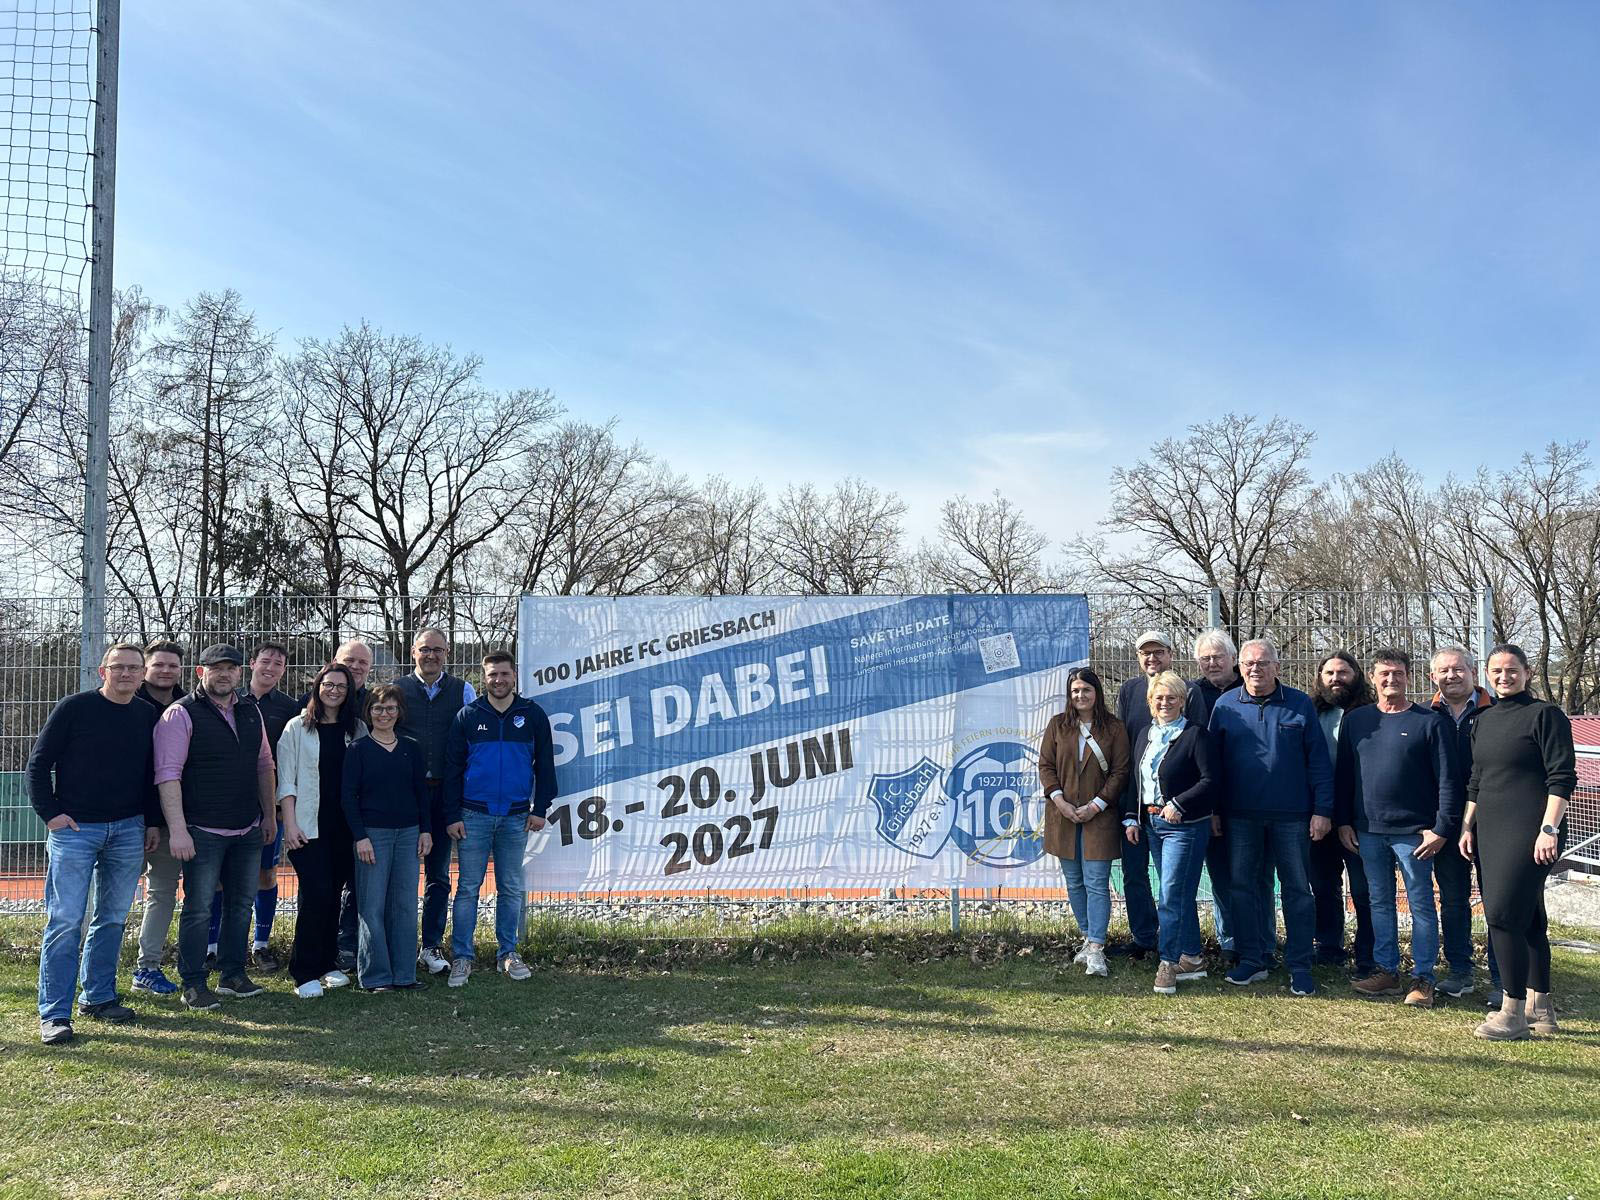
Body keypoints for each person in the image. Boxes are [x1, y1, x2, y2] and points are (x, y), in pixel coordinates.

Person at [28, 644, 160, 1045]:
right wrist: (51, 814)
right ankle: (55, 1014)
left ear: (142, 675)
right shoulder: (74, 708)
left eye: (133, 668)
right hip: (74, 830)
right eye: (118, 667)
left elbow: (151, 774)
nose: (126, 674)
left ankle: (99, 996)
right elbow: (38, 764)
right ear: (103, 671)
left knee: (113, 918)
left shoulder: (147, 715)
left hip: (128, 829)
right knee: (66, 920)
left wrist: (151, 822)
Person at [153, 644, 277, 1010]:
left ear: (240, 673)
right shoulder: (180, 714)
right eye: (216, 668)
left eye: (230, 668)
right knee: (199, 909)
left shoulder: (251, 711)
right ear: (200, 672)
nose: (224, 674)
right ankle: (193, 982)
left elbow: (264, 765)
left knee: (241, 905)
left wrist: (269, 816)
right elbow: (168, 774)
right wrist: (178, 829)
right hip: (202, 831)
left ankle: (232, 975)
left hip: (247, 828)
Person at [1334, 649, 1460, 1010]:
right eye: (1384, 674)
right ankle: (1387, 972)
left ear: (1409, 677)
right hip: (1368, 831)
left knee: (1421, 903)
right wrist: (1343, 820)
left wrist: (1441, 828)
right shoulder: (1356, 721)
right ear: (1373, 678)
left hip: (1416, 834)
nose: (1391, 680)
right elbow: (1344, 775)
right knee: (1379, 902)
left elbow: (1448, 780)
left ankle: (1423, 978)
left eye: (1398, 674)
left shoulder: (1430, 722)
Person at [1462, 645, 1576, 1040]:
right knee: (1528, 917)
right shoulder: (1482, 720)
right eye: (1496, 670)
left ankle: (1511, 1011)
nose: (1504, 677)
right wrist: (1467, 827)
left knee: (1502, 915)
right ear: (1486, 674)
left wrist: (1549, 829)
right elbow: (1477, 780)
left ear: (1527, 672)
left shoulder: (1545, 715)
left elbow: (1562, 776)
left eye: (1512, 670)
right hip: (1489, 830)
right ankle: (1540, 1008)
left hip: (1530, 830)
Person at [1210, 637, 1332, 997]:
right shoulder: (1225, 706)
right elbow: (1212, 765)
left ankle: (1299, 965)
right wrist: (1214, 810)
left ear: (1277, 667)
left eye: (1263, 663)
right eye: (1248, 663)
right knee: (1243, 887)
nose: (1255, 669)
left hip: (1292, 816)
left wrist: (1322, 810)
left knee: (1297, 890)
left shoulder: (1299, 704)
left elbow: (1318, 760)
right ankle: (1252, 959)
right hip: (1240, 816)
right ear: (1239, 667)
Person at [443, 650, 556, 988]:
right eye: (492, 674)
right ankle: (462, 957)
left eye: (504, 674)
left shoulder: (532, 715)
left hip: (516, 817)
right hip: (472, 815)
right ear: (484, 677)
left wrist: (540, 809)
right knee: (468, 888)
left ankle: (508, 953)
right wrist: (452, 814)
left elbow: (545, 765)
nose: (498, 680)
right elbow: (452, 769)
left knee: (510, 887)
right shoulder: (468, 715)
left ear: (514, 676)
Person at [278, 663, 368, 999]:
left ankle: (327, 963)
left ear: (349, 692)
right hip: (307, 827)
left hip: (344, 828)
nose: (334, 691)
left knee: (333, 895)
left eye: (341, 686)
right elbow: (286, 780)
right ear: (318, 687)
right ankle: (303, 971)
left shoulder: (357, 728)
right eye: (328, 684)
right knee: (316, 894)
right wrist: (289, 823)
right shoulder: (297, 727)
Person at [1122, 671, 1214, 996]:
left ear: (1182, 701)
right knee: (1179, 893)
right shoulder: (1145, 734)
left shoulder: (1195, 735)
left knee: (1170, 894)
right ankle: (1192, 958)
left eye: (1171, 697)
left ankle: (1168, 961)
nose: (1165, 703)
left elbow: (1210, 780)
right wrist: (1132, 818)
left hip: (1184, 827)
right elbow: (1136, 780)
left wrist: (1179, 803)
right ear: (1150, 701)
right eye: (1159, 698)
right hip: (1151, 824)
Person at [1114, 631, 1204, 958]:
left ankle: (1182, 950)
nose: (1152, 658)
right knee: (1134, 874)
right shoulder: (1129, 690)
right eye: (1145, 653)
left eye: (1158, 652)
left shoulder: (1189, 691)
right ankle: (1144, 938)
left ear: (1171, 654)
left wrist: (1180, 801)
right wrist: (1130, 809)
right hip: (1138, 804)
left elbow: (1198, 749)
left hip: (1177, 813)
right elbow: (1127, 748)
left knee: (1173, 887)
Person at [1038, 666, 1131, 978]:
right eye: (1075, 691)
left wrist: (1096, 805)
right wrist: (1059, 800)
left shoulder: (1114, 728)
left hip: (1099, 816)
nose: (1080, 695)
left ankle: (1096, 946)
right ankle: (1088, 938)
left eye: (1086, 690)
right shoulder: (1057, 725)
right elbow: (1046, 766)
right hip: (1062, 816)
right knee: (1075, 882)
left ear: (1097, 693)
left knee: (1096, 882)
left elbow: (1120, 771)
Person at [394, 628, 476, 976]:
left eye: (438, 650)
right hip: (403, 794)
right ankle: (397, 946)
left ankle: (430, 946)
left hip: (445, 793)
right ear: (413, 652)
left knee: (438, 875)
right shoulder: (396, 689)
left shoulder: (464, 691)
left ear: (447, 653)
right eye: (425, 649)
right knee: (398, 876)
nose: (431, 655)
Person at [343, 684, 431, 991]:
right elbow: (348, 797)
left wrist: (425, 829)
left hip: (408, 835)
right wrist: (360, 836)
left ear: (399, 712)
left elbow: (421, 793)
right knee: (372, 907)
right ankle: (376, 977)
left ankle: (405, 975)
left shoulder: (411, 748)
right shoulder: (358, 750)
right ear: (369, 712)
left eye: (390, 708)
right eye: (378, 708)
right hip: (373, 836)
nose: (384, 714)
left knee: (405, 905)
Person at [1429, 646, 1500, 1004]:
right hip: (1446, 823)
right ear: (1433, 677)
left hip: (1495, 822)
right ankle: (1460, 971)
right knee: (1453, 899)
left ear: (1474, 672)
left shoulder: (1497, 712)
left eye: (1458, 669)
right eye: (1443, 670)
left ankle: (1503, 978)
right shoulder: (1426, 716)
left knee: (1496, 900)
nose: (1451, 676)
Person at [1309, 651, 1376, 976]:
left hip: (1361, 815)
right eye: (1330, 673)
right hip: (1320, 813)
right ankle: (1329, 947)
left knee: (1364, 888)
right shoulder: (1312, 713)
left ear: (1356, 676)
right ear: (1320, 678)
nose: (1336, 679)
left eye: (1343, 672)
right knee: (1323, 885)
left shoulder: (1371, 713)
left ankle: (1368, 953)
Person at [130, 640, 186, 997]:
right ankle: (97, 968)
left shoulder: (188, 707)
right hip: (127, 819)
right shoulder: (127, 704)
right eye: (159, 664)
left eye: (172, 665)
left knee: (163, 894)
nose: (165, 670)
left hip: (170, 822)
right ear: (146, 668)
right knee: (113, 897)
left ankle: (147, 967)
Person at [1188, 628, 1243, 960]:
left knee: (1254, 877)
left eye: (1218, 657)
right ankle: (1230, 942)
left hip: (1248, 798)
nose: (1212, 663)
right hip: (1209, 802)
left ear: (1233, 659)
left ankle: (1258, 940)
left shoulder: (1251, 687)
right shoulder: (1192, 694)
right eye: (1205, 658)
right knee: (1221, 876)